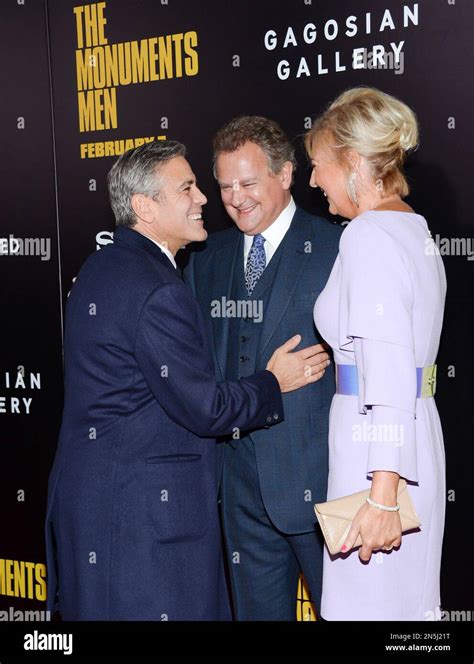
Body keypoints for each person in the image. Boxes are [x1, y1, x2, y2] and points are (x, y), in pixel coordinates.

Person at [44, 140, 330, 621]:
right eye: (189, 188)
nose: (205, 199)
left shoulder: (103, 266)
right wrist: (272, 382)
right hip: (141, 519)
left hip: (100, 506)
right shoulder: (157, 287)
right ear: (145, 207)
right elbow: (205, 406)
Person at [185, 117, 342, 620]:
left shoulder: (338, 247)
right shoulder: (208, 256)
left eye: (249, 183)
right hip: (239, 493)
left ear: (287, 175)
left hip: (324, 488)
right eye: (226, 185)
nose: (236, 198)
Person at [307, 87, 447, 620]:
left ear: (352, 161)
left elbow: (386, 373)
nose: (314, 180)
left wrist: (384, 494)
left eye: (318, 165)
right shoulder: (413, 227)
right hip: (406, 439)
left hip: (380, 456)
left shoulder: (367, 235)